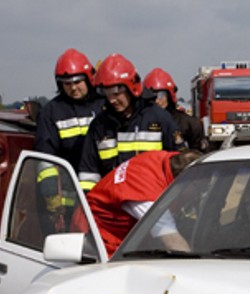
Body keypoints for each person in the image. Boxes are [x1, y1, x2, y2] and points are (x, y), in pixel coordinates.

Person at [77, 53, 183, 192]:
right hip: (113, 205)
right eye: (107, 95)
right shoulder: (99, 126)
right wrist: (89, 206)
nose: (111, 100)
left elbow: (179, 164)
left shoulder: (159, 118)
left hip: (155, 203)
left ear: (131, 88)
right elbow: (88, 174)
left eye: (116, 93)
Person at [34, 49, 104, 233]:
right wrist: (50, 195)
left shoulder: (103, 106)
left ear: (89, 78)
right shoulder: (51, 112)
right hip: (68, 194)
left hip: (103, 187)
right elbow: (45, 156)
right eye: (67, 84)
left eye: (78, 82)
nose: (73, 88)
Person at [86, 149, 202, 256]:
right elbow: (171, 240)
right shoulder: (145, 197)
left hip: (124, 233)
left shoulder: (161, 159)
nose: (200, 193)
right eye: (199, 188)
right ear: (186, 182)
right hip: (99, 238)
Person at [144, 68, 207, 151]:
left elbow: (197, 156)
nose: (157, 100)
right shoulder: (139, 123)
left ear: (169, 96)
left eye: (160, 95)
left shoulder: (190, 124)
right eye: (152, 96)